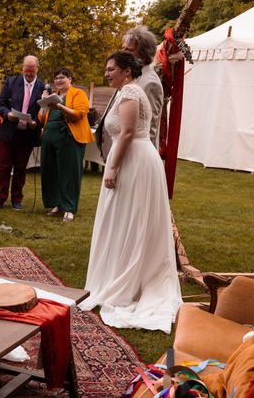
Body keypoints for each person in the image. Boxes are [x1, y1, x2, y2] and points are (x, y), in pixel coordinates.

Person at [78, 51, 182, 334]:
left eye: (111, 69)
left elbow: (125, 133)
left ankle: (128, 279)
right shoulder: (128, 90)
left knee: (131, 221)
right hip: (134, 158)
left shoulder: (131, 92)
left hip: (133, 161)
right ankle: (120, 272)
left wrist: (112, 169)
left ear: (126, 70)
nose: (106, 74)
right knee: (125, 220)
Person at [38, 68, 94, 222]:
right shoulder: (52, 96)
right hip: (49, 136)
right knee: (51, 171)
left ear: (70, 79)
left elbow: (79, 114)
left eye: (62, 77)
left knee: (69, 173)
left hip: (69, 137)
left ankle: (69, 208)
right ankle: (57, 204)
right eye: (56, 78)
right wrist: (44, 103)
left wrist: (59, 106)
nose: (58, 81)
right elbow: (42, 119)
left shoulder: (78, 93)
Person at [0, 55, 45, 210]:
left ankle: (16, 199)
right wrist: (7, 114)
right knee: (4, 166)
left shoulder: (43, 87)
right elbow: (0, 103)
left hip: (27, 133)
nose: (28, 73)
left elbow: (45, 110)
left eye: (31, 70)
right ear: (22, 68)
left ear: (37, 69)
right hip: (9, 131)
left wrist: (36, 122)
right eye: (26, 70)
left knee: (21, 167)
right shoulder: (11, 82)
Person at [122, 25, 163, 149]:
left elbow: (149, 128)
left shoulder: (150, 83)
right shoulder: (129, 76)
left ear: (143, 56)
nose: (122, 53)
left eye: (129, 50)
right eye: (122, 48)